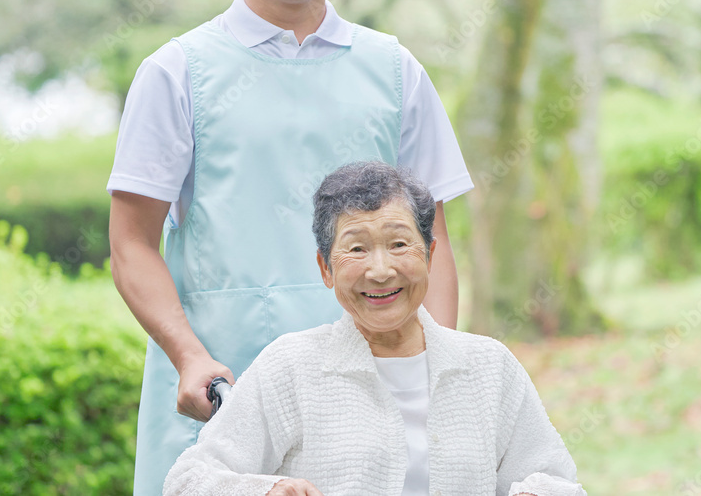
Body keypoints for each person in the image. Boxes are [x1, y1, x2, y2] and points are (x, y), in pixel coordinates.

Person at [106, 0, 473, 494]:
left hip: (375, 397)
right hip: (225, 400)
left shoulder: (393, 71)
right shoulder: (177, 73)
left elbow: (434, 238)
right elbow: (131, 244)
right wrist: (190, 357)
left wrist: (435, 371)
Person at [163, 162, 585, 496]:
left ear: (429, 255)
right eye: (357, 249)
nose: (380, 271)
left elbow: (557, 479)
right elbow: (187, 482)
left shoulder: (489, 367)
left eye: (399, 244)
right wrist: (266, 489)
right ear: (326, 269)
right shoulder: (291, 367)